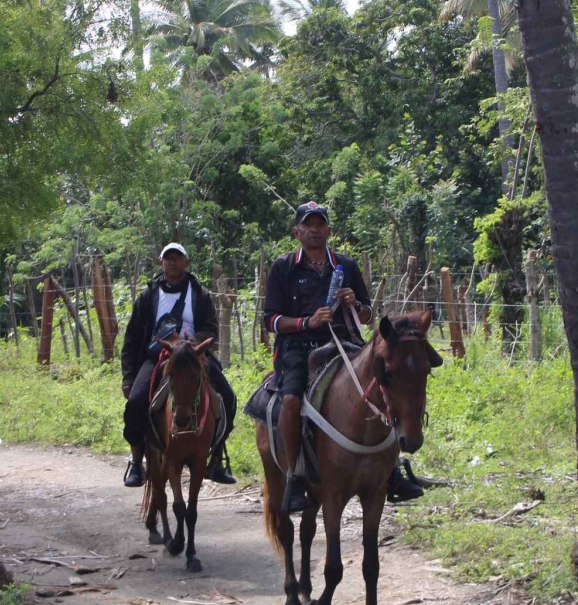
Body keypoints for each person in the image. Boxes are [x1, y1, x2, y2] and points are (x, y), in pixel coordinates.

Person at [262, 202, 423, 512]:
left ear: (328, 230)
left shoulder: (345, 265)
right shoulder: (283, 267)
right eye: (308, 225)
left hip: (345, 343)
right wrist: (307, 322)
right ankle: (295, 476)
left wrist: (354, 304)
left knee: (385, 386)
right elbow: (271, 320)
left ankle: (393, 472)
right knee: (291, 399)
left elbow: (367, 314)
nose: (314, 230)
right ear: (297, 232)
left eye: (320, 224)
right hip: (298, 347)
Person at [120, 243, 237, 488]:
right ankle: (136, 460)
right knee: (136, 402)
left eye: (177, 258)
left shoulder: (200, 294)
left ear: (187, 262)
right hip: (158, 356)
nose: (172, 263)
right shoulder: (148, 295)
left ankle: (217, 457)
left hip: (194, 356)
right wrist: (128, 377)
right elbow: (132, 337)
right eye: (168, 258)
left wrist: (191, 342)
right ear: (161, 262)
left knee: (227, 397)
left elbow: (211, 328)